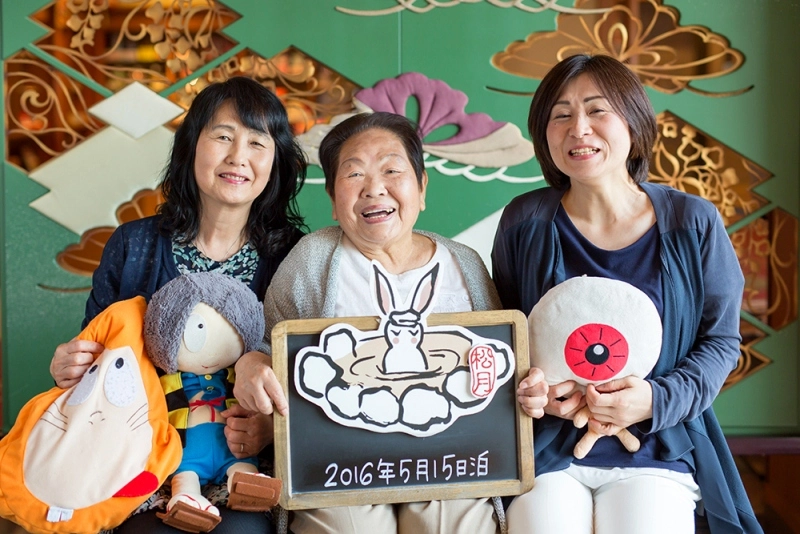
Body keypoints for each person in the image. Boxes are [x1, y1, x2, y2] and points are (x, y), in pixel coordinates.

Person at [492, 54, 762, 533]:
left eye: (598, 110)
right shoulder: (523, 221)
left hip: (658, 447)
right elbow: (506, 341)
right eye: (560, 115)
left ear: (633, 123)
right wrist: (532, 393)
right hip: (549, 449)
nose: (579, 128)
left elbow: (720, 342)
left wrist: (655, 399)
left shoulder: (692, 221)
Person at [234, 111, 522, 534]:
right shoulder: (312, 259)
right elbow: (266, 344)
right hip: (340, 467)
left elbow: (497, 364)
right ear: (333, 198)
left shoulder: (464, 264)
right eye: (354, 174)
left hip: (450, 461)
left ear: (422, 187)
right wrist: (251, 364)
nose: (374, 188)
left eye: (391, 170)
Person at [48, 76, 307, 533]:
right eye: (223, 136)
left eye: (256, 143)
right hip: (144, 464)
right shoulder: (134, 245)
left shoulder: (294, 255)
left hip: (249, 469)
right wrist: (68, 368)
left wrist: (271, 430)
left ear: (275, 162)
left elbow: (313, 381)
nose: (238, 156)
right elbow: (100, 364)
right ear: (191, 147)